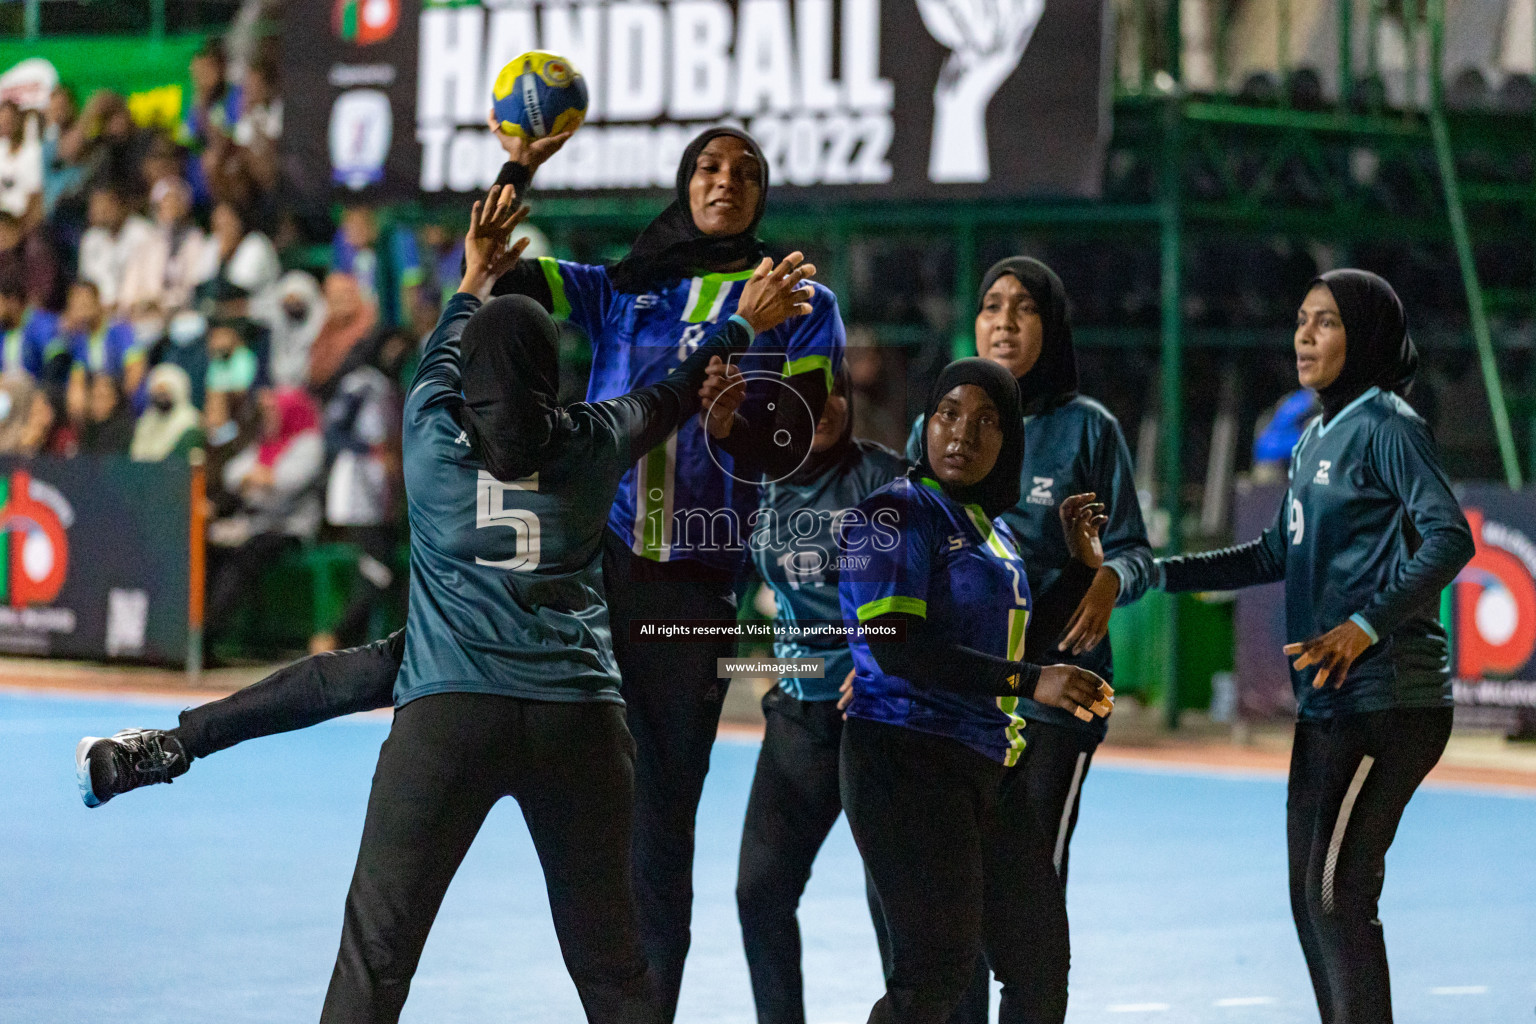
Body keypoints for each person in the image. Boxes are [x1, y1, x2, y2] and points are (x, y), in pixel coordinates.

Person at [483, 123, 845, 1019]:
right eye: (710, 168)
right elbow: (497, 278)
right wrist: (515, 170)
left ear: (764, 196)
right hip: (596, 570)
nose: (727, 182)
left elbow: (797, 444)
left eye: (746, 172)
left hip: (694, 587)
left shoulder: (801, 300)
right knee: (579, 800)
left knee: (664, 820)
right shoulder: (621, 288)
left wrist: (739, 427)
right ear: (684, 184)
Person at [1153, 269, 1473, 1024]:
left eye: (1325, 322)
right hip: (1329, 702)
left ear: (1362, 336)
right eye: (1300, 320)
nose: (1304, 335)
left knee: (1336, 895)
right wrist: (1152, 575)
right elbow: (1274, 554)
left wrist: (1365, 626)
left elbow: (1450, 536)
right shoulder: (1314, 435)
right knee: (1310, 899)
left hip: (1391, 699)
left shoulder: (1387, 424)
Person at [908, 257, 1154, 1024]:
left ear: (1052, 326)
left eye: (1023, 308)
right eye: (991, 305)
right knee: (963, 890)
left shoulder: (1089, 428)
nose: (1005, 321)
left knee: (1029, 892)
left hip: (1059, 698)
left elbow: (1137, 552)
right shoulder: (940, 423)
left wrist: (1110, 576)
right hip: (969, 696)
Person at [838, 357, 1114, 1024]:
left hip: (988, 763)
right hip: (904, 762)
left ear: (1009, 441)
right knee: (935, 974)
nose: (963, 433)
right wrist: (1030, 682)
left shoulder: (996, 531)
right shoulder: (894, 512)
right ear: (926, 424)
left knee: (1038, 962)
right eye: (949, 414)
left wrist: (1082, 570)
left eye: (988, 420)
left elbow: (1017, 647)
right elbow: (899, 647)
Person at [735, 364, 908, 1024]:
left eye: (833, 388)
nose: (826, 404)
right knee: (760, 893)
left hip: (881, 722)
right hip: (801, 720)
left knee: (894, 901)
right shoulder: (757, 485)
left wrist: (881, 665)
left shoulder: (885, 479)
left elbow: (929, 585)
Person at [205, 387, 324, 630]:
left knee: (244, 557)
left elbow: (288, 480)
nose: (269, 416)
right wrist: (257, 476)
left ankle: (211, 631)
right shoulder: (265, 442)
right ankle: (195, 629)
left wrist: (261, 478)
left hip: (289, 529)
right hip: (253, 523)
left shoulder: (308, 442)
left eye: (274, 410)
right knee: (207, 548)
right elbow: (232, 474)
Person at [77, 184, 156, 312]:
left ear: (121, 205)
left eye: (107, 205)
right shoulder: (90, 239)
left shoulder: (143, 233)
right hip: (101, 313)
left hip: (137, 309)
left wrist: (124, 304)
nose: (102, 211)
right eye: (97, 206)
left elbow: (152, 283)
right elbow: (87, 282)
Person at [130, 363, 203, 462]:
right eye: (158, 393)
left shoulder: (190, 419)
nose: (161, 398)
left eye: (165, 393)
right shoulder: (147, 420)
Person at [77, 371, 137, 455]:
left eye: (101, 397)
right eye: (93, 397)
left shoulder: (124, 430)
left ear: (115, 399)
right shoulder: (87, 430)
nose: (96, 403)